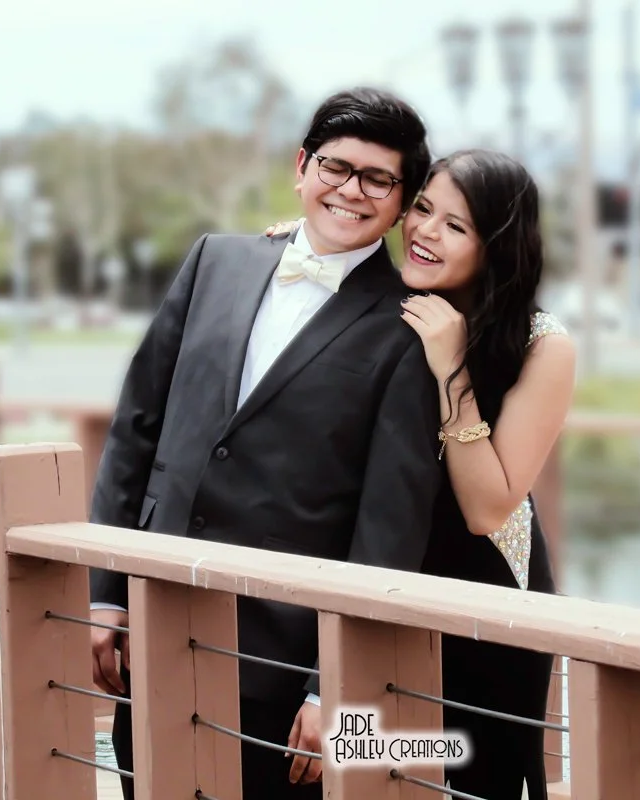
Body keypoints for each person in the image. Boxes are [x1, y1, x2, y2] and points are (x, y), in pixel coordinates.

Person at [86, 87, 439, 800]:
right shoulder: (213, 261)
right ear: (301, 166)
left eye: (378, 180)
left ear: (402, 204)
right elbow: (137, 430)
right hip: (155, 623)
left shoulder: (412, 327)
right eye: (337, 168)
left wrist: (331, 686)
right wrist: (105, 598)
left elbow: (386, 527)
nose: (351, 191)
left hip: (282, 666)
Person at [265, 148, 575, 800]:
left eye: (455, 226)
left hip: (481, 599)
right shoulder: (381, 295)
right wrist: (303, 244)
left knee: (462, 772)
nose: (426, 232)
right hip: (382, 571)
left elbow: (487, 508)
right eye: (424, 210)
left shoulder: (542, 344)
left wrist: (452, 369)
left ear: (495, 248)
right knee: (371, 766)